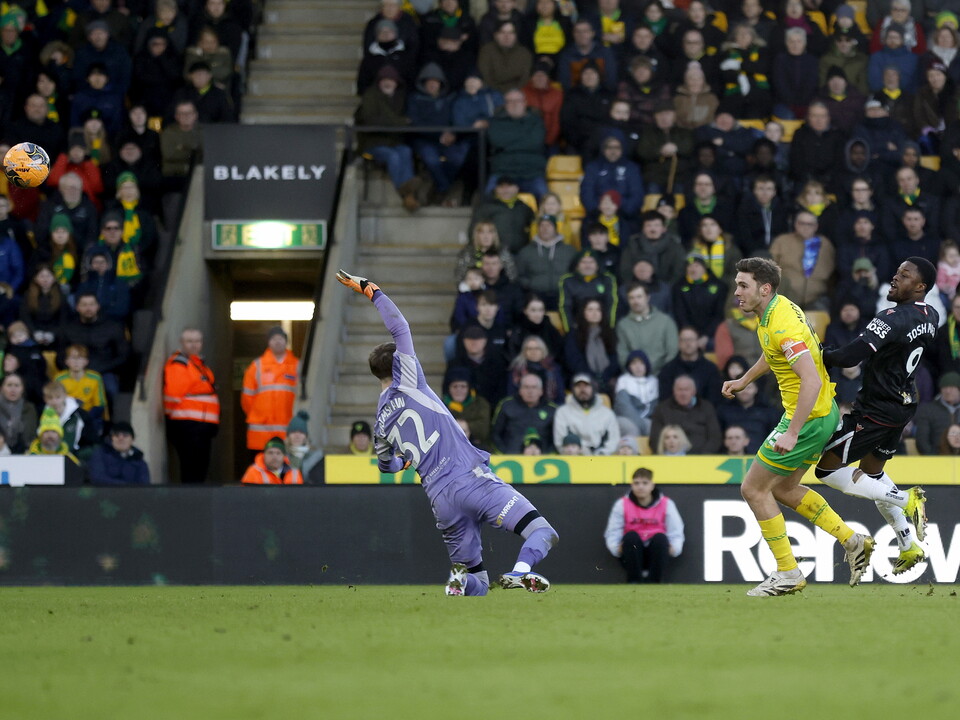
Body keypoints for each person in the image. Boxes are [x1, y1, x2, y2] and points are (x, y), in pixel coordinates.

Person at [336, 268, 559, 595]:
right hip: (470, 478)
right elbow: (400, 326)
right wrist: (371, 290)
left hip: (441, 500)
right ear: (398, 363)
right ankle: (520, 571)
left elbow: (385, 467)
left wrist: (406, 464)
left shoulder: (380, 421)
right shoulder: (409, 380)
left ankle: (459, 582)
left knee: (479, 583)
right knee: (542, 531)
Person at [722, 257, 870, 596]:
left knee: (753, 489)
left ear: (765, 288)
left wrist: (792, 431)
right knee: (784, 489)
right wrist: (745, 379)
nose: (736, 292)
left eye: (743, 285)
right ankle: (853, 540)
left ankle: (788, 571)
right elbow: (773, 353)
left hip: (807, 417)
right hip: (821, 414)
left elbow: (810, 380)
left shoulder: (782, 324)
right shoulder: (774, 311)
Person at [814, 257, 937, 576]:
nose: (894, 278)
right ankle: (908, 542)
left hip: (876, 409)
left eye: (904, 275)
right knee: (872, 475)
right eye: (896, 272)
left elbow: (851, 356)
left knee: (826, 470)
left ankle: (905, 498)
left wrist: (818, 353)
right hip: (904, 404)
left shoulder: (893, 317)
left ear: (920, 287)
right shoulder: (932, 314)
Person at [603, 467, 684, 583]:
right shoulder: (622, 504)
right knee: (630, 537)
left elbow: (676, 531)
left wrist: (675, 548)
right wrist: (616, 548)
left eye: (645, 483)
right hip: (632, 552)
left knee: (660, 538)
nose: (640, 487)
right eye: (636, 483)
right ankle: (634, 581)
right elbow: (613, 531)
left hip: (657, 551)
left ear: (652, 485)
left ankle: (655, 582)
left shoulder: (666, 503)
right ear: (632, 485)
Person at [163, 327, 220, 484]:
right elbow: (173, 396)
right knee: (191, 470)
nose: (194, 345)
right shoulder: (179, 365)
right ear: (182, 343)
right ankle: (190, 502)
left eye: (197, 341)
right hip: (188, 426)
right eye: (189, 341)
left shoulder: (200, 365)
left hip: (202, 426)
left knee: (200, 469)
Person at [241, 326, 299, 454]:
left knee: (286, 471)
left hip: (288, 430)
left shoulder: (297, 366)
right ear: (268, 342)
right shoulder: (256, 366)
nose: (277, 342)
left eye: (281, 339)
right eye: (273, 339)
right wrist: (259, 415)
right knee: (261, 470)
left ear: (286, 341)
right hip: (261, 431)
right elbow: (247, 398)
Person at [616, 281, 678, 374]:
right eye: (631, 298)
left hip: (662, 376)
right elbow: (622, 354)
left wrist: (664, 374)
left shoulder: (666, 321)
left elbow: (672, 352)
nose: (635, 301)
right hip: (633, 377)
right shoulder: (623, 325)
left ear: (647, 298)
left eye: (639, 297)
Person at [552, 373, 620, 456]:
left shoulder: (607, 414)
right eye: (578, 386)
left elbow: (614, 440)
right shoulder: (562, 412)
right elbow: (560, 441)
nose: (582, 389)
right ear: (573, 390)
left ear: (593, 388)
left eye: (586, 386)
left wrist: (601, 454)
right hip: (573, 458)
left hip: (601, 459)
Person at [87, 421, 151, 485]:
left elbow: (144, 485)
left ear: (132, 439)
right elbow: (98, 478)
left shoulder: (139, 461)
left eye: (125, 435)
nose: (121, 438)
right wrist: (126, 486)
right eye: (116, 435)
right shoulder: (100, 455)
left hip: (131, 494)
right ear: (112, 439)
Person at [914, 372, 960, 454]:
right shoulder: (927, 410)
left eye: (952, 388)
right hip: (936, 458)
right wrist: (933, 458)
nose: (948, 391)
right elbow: (922, 440)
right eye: (944, 388)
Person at [0, 373, 37, 454]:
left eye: (17, 385)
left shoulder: (29, 408)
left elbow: (31, 435)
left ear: (22, 389)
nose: (13, 389)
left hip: (24, 453)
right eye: (9, 385)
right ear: (2, 388)